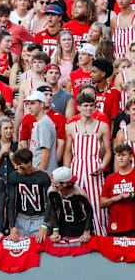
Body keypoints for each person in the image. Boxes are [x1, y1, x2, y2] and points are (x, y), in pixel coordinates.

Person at [64, 91, 111, 236]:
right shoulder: (72, 127)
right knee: (76, 203)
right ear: (78, 107)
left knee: (97, 204)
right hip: (77, 169)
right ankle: (78, 236)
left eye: (91, 106)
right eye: (85, 106)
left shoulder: (102, 126)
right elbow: (67, 151)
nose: (88, 109)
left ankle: (101, 235)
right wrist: (67, 173)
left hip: (94, 167)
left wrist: (102, 166)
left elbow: (109, 151)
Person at [7, 148, 51, 242]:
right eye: (15, 164)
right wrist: (12, 226)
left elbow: (49, 202)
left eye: (19, 165)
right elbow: (11, 202)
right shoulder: (14, 177)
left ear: (29, 162)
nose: (16, 167)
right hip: (21, 219)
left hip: (40, 218)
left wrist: (45, 225)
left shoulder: (43, 177)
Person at [48, 166, 93, 243]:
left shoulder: (79, 193)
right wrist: (55, 230)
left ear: (64, 184)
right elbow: (53, 209)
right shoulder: (52, 192)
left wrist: (87, 231)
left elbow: (89, 211)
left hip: (79, 225)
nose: (52, 186)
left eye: (55, 183)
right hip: (63, 225)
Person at [100, 143, 135, 236]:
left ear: (131, 157)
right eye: (118, 155)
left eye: (124, 155)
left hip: (132, 225)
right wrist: (114, 198)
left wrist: (131, 195)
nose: (121, 158)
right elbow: (102, 203)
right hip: (115, 226)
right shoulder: (110, 178)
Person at [24, 90, 58, 172]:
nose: (29, 107)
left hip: (44, 172)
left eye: (32, 103)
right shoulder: (41, 122)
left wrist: (40, 175)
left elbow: (45, 152)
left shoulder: (43, 123)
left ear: (42, 104)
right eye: (28, 104)